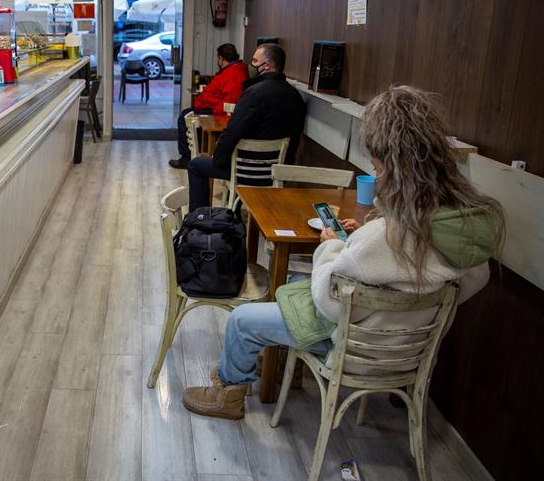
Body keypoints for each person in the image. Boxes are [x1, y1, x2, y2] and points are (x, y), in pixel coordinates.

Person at [182, 85, 504, 420]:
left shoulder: (385, 238)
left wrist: (331, 244)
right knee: (292, 283)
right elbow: (460, 279)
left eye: (378, 168)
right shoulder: (462, 233)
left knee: (241, 320)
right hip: (410, 350)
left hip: (354, 346)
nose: (377, 175)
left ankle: (228, 395)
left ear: (393, 168)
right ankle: (275, 366)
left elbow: (327, 300)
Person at [186, 43, 305, 210]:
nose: (251, 65)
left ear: (267, 66)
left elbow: (231, 133)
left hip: (246, 171)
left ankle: (198, 222)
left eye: (255, 61)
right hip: (278, 172)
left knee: (196, 165)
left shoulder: (253, 93)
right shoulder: (296, 97)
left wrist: (218, 160)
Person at [169, 43, 249, 169]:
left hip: (216, 112)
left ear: (221, 59)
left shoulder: (234, 73)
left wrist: (214, 111)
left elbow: (231, 100)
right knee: (187, 112)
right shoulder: (231, 71)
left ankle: (186, 157)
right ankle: (191, 154)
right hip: (211, 107)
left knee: (185, 117)